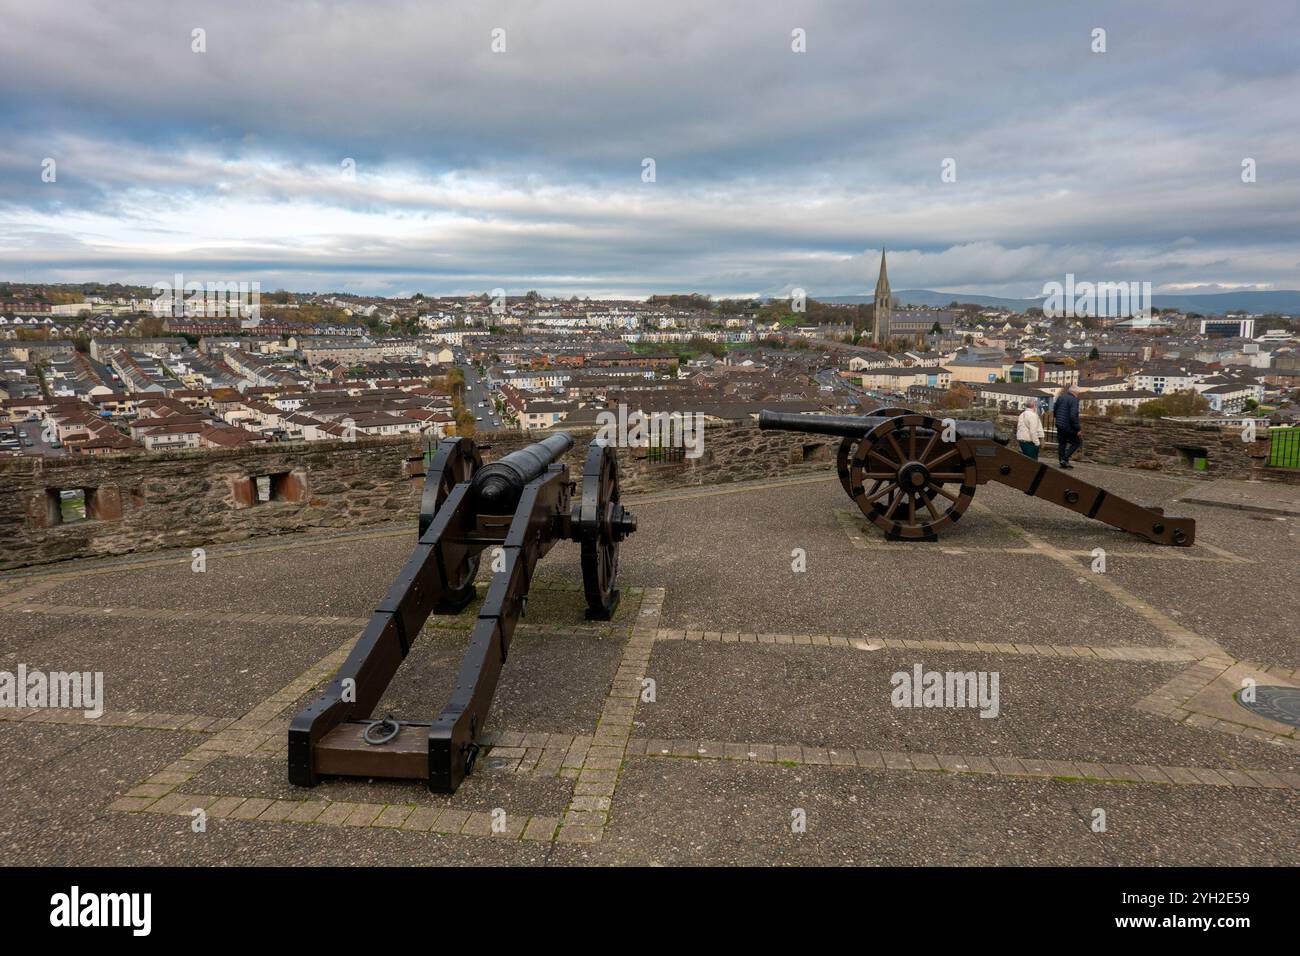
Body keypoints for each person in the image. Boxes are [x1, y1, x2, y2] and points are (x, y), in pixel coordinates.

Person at [1053, 383, 1083, 468]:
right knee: (1076, 442)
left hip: (1059, 424)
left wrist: (1058, 418)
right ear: (1074, 392)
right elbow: (1073, 415)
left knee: (1062, 443)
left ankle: (1062, 462)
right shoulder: (1074, 400)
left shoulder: (1061, 397)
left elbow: (1055, 410)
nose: (1078, 394)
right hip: (1069, 426)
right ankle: (1064, 459)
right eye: (1078, 392)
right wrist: (1078, 429)